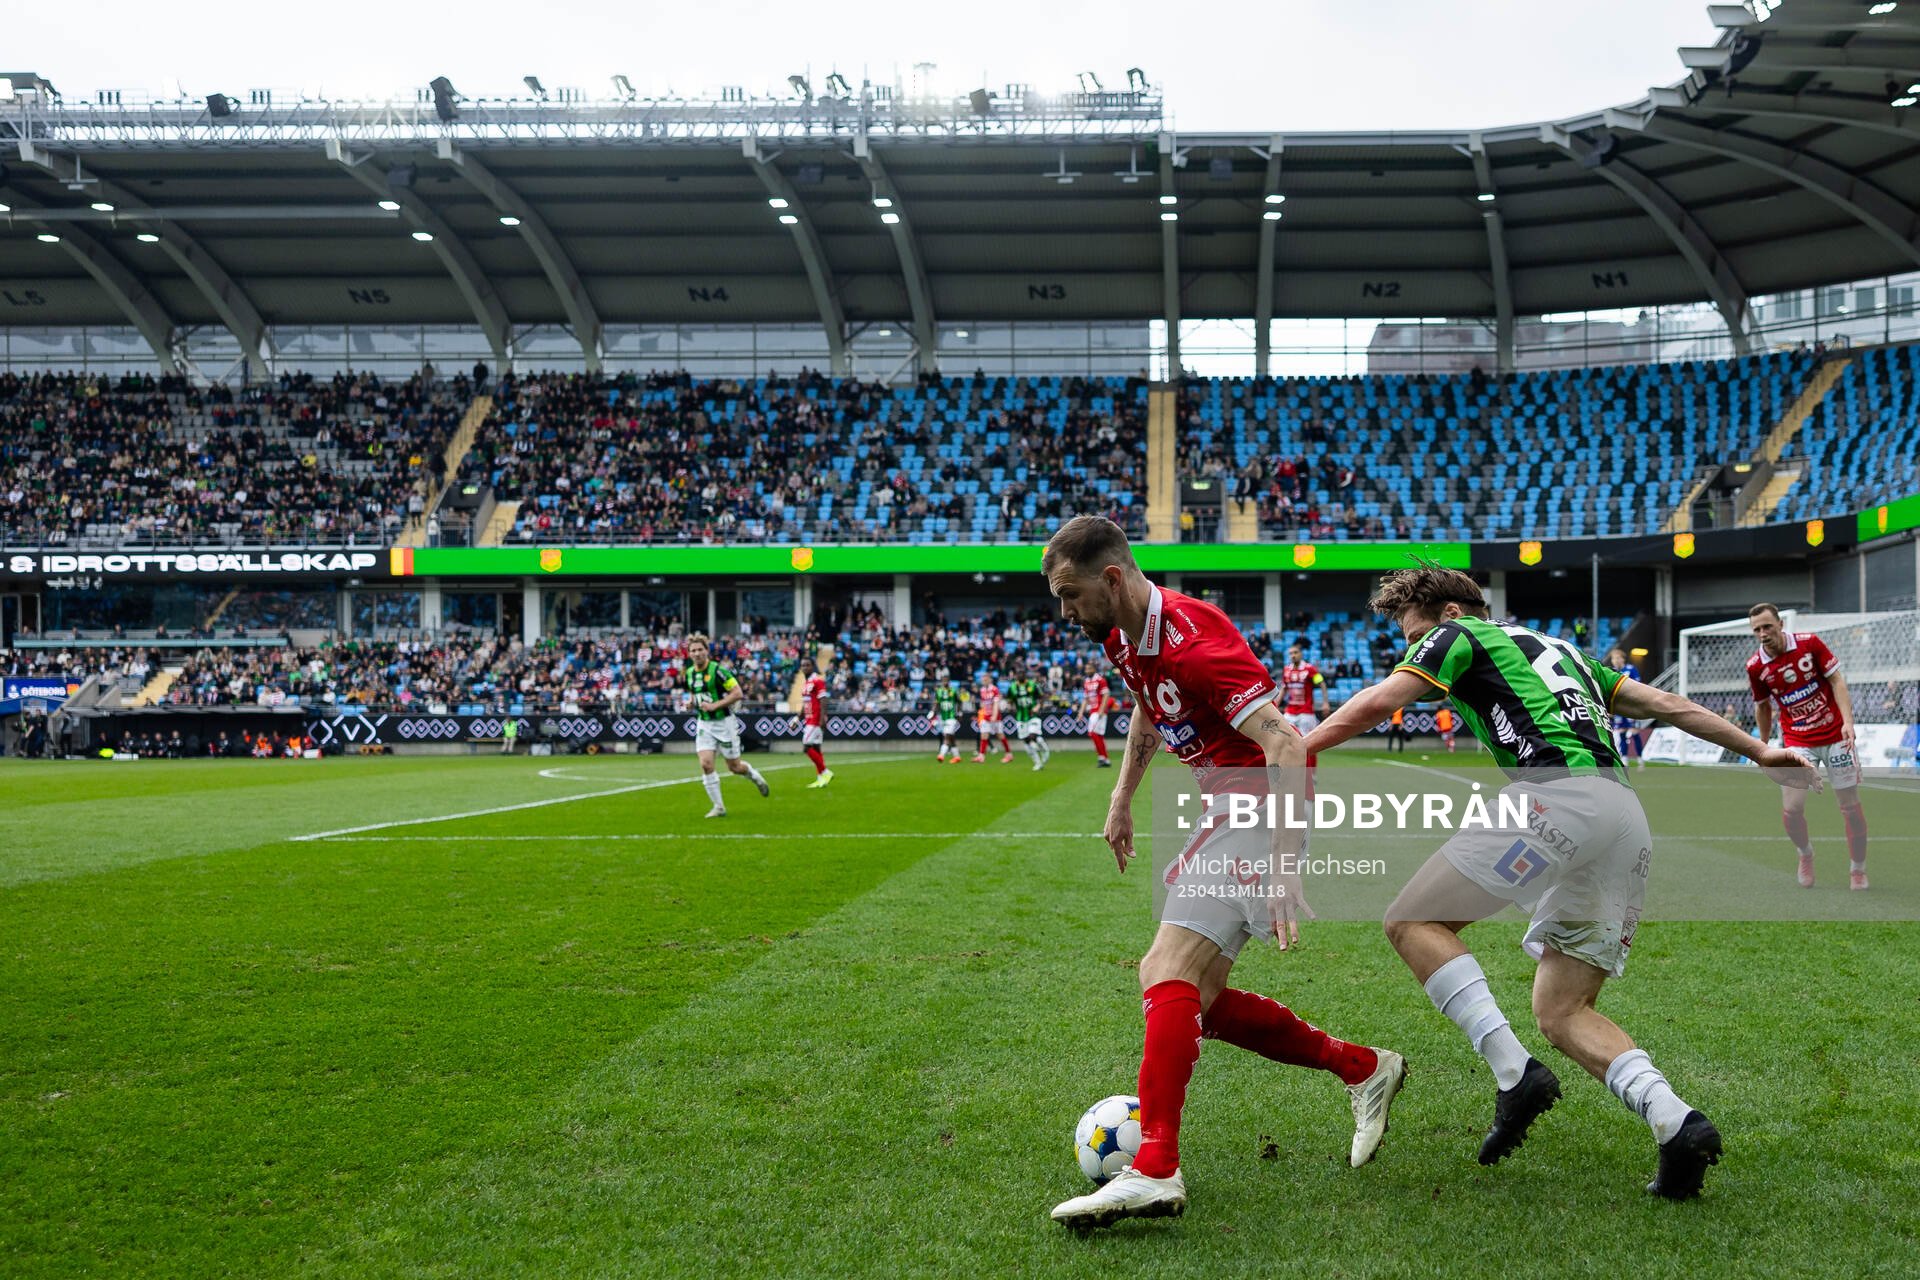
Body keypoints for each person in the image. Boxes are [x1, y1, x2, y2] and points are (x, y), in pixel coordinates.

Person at [1303, 563, 1817, 1200]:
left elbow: (1382, 701)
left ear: (1451, 614)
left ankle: (1514, 1075)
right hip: (1623, 819)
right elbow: (1670, 705)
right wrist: (1760, 750)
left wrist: (1300, 747)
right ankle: (1676, 1124)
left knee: (1412, 921)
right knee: (1563, 1010)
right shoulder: (1567, 653)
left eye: (1414, 635)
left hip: (1555, 800)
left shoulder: (1460, 635)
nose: (1413, 649)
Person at [1041, 516, 1406, 1230]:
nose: (1066, 612)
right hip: (1224, 807)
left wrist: (1284, 863)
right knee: (1199, 1002)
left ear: (1111, 579)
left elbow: (1286, 742)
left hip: (1258, 806)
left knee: (1165, 968)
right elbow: (1149, 706)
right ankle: (1364, 1068)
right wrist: (1122, 798)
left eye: (1070, 594)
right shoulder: (1122, 636)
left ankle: (1154, 1169)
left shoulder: (1195, 640)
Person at [1746, 603, 1868, 889]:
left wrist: (1848, 722)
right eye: (1757, 629)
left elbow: (1837, 680)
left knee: (1849, 807)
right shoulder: (1756, 667)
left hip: (1836, 736)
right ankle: (1805, 854)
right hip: (1797, 740)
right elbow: (1762, 707)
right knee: (1792, 808)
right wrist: (1762, 745)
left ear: (1780, 625)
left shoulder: (1809, 644)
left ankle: (1858, 869)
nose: (1763, 633)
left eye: (1767, 626)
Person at [683, 632, 770, 818]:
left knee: (734, 767)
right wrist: (691, 703)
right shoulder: (689, 673)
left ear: (706, 651)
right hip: (704, 723)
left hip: (724, 723)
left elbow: (737, 693)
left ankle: (754, 776)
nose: (696, 653)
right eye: (693, 651)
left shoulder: (718, 671)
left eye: (700, 650)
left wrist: (715, 705)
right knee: (706, 764)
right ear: (689, 653)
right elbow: (695, 694)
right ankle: (719, 807)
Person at [1006, 661, 1051, 771]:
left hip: (1033, 715)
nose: (1020, 676)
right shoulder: (1012, 687)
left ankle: (1043, 751)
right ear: (1016, 676)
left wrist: (1038, 707)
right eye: (1018, 674)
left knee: (1032, 736)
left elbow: (1042, 697)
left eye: (1022, 674)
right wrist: (1011, 706)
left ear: (1025, 675)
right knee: (1026, 740)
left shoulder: (1032, 685)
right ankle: (1038, 761)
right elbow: (1009, 700)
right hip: (1021, 717)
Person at [798, 657, 833, 789]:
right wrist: (797, 719)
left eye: (807, 665)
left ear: (812, 666)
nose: (805, 667)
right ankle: (821, 779)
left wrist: (822, 718)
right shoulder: (806, 683)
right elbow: (806, 703)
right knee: (817, 748)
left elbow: (823, 700)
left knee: (806, 747)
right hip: (808, 719)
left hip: (815, 719)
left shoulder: (817, 681)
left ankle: (825, 772)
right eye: (803, 665)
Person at [1606, 649, 1643, 766]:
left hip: (1631, 706)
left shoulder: (1630, 669)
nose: (1615, 660)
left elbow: (1638, 685)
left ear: (1623, 659)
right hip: (1619, 708)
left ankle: (1640, 759)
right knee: (1621, 732)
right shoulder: (1611, 671)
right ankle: (1625, 759)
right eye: (1613, 658)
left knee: (1634, 732)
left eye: (1618, 658)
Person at [1082, 665, 1117, 768]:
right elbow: (1086, 698)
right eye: (1086, 669)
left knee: (1093, 733)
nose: (1087, 671)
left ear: (1094, 669)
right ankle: (1104, 758)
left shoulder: (1100, 680)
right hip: (1092, 711)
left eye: (1089, 669)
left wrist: (1102, 709)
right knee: (1097, 735)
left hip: (1098, 711)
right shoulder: (1086, 681)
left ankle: (1103, 757)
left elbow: (1106, 695)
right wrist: (1080, 712)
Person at [974, 674, 1012, 764]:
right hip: (986, 716)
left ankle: (1009, 754)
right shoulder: (982, 690)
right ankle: (981, 756)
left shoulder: (994, 689)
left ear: (990, 680)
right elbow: (983, 703)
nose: (984, 681)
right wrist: (982, 712)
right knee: (983, 735)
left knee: (1000, 736)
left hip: (995, 717)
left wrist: (994, 715)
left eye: (986, 679)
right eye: (983, 680)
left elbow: (996, 703)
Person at [931, 678, 965, 764]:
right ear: (942, 682)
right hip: (943, 717)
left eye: (946, 681)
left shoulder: (953, 691)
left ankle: (941, 755)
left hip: (951, 717)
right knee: (951, 738)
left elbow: (959, 702)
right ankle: (957, 757)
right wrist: (932, 712)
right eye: (943, 681)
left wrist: (960, 713)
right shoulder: (939, 691)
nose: (945, 682)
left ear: (949, 682)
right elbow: (936, 703)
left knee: (946, 736)